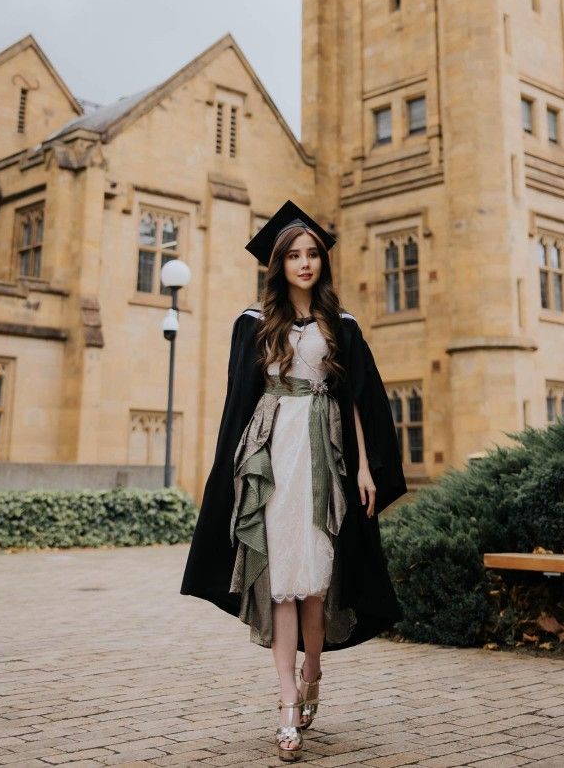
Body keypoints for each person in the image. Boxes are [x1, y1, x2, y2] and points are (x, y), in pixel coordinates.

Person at [181, 199, 407, 762]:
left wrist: (365, 466)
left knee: (315, 583)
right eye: (294, 256)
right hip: (273, 455)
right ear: (279, 264)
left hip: (324, 456)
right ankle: (287, 706)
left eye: (312, 255)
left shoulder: (341, 326)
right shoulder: (253, 323)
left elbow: (355, 398)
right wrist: (235, 474)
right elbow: (240, 400)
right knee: (281, 577)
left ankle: (313, 670)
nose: (305, 263)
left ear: (321, 263)